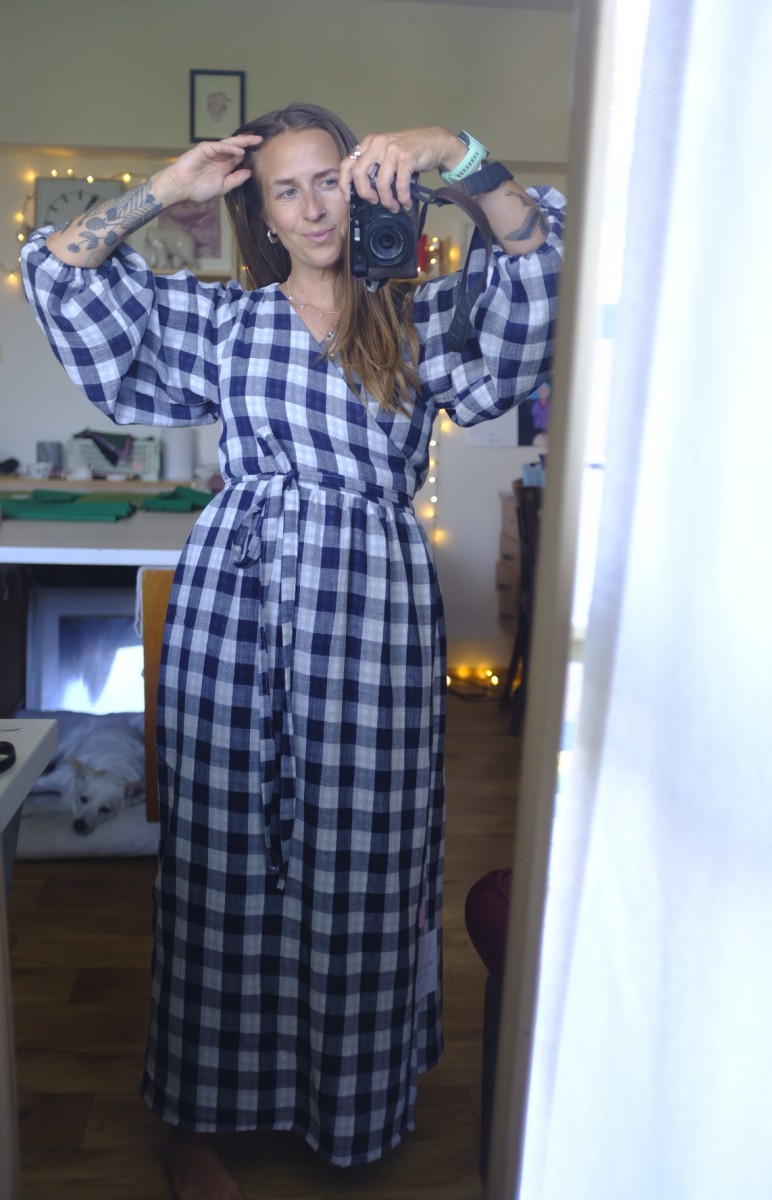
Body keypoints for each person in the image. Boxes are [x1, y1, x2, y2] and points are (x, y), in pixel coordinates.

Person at [22, 102, 565, 1200]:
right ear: (262, 213)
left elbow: (534, 267)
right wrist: (165, 190)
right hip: (238, 604)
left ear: (362, 188)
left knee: (366, 861)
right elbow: (60, 275)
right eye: (286, 189)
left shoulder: (417, 316)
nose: (313, 208)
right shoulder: (225, 322)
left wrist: (452, 155)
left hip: (374, 616)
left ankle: (345, 1103)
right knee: (219, 860)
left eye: (330, 180)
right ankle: (196, 1122)